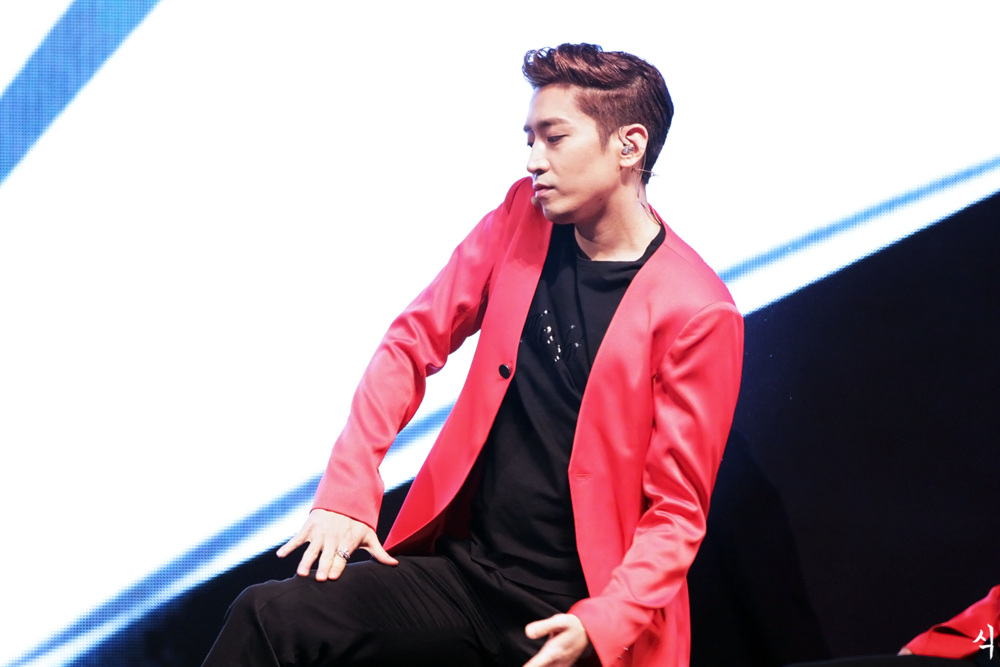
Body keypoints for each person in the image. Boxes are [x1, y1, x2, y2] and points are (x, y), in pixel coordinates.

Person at [203, 43, 743, 667]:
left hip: (578, 611)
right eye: (530, 139)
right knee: (272, 615)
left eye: (554, 138)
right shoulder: (522, 217)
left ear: (629, 146)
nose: (534, 160)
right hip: (469, 579)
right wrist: (348, 490)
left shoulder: (698, 310)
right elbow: (411, 342)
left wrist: (600, 623)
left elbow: (676, 512)